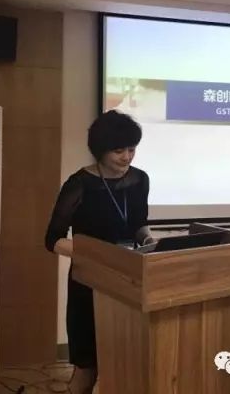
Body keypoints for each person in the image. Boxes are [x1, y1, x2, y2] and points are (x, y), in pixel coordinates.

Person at [45, 110, 153, 394]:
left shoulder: (140, 180)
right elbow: (53, 240)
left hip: (127, 278)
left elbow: (139, 224)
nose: (127, 157)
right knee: (87, 365)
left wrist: (148, 240)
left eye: (132, 149)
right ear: (100, 150)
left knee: (123, 359)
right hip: (89, 281)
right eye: (119, 151)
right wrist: (91, 253)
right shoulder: (79, 184)